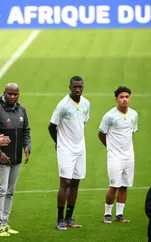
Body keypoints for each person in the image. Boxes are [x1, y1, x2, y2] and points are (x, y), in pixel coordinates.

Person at [0, 83, 31, 237]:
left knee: (10, 192)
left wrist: (27, 145)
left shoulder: (21, 110)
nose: (12, 97)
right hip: (1, 160)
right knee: (1, 191)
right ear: (4, 93)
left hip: (16, 158)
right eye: (10, 94)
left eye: (15, 94)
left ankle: (5, 223)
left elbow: (26, 130)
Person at [48, 76, 90, 230]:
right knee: (65, 183)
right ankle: (60, 220)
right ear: (70, 87)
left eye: (80, 87)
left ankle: (69, 218)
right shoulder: (63, 106)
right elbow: (52, 126)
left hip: (80, 149)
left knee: (75, 183)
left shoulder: (86, 103)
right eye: (75, 87)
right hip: (66, 149)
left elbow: (82, 122)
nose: (78, 90)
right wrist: (59, 143)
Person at [98, 86, 138, 224]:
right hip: (115, 156)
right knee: (114, 185)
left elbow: (132, 132)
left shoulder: (134, 115)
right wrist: (111, 148)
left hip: (129, 156)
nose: (125, 100)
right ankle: (107, 213)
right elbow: (101, 134)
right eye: (121, 97)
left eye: (127, 97)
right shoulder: (109, 116)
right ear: (116, 100)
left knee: (124, 186)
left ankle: (119, 215)